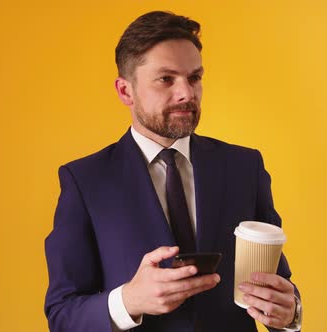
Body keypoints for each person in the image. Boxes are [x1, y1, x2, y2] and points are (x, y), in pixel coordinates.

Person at [44, 11, 302, 332]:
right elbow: (62, 315)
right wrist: (129, 301)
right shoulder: (85, 181)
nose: (186, 93)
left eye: (194, 78)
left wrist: (289, 313)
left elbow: (277, 283)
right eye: (166, 79)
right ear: (126, 91)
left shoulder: (245, 167)